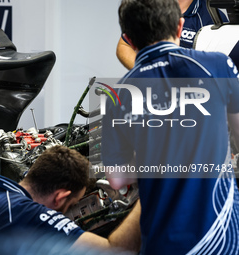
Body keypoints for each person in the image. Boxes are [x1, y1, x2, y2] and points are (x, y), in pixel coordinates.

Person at [102, 0, 239, 254]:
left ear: (129, 39)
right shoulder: (219, 65)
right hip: (222, 239)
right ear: (179, 26)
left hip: (162, 242)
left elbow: (118, 178)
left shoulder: (117, 96)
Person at [0, 145, 141, 254]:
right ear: (60, 197)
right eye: (72, 204)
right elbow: (114, 251)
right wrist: (150, 194)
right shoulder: (34, 217)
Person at [116, 0, 228, 69]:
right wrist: (149, 72)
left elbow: (221, 66)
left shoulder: (215, 17)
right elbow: (124, 46)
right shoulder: (148, 4)